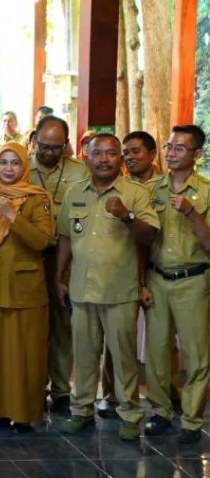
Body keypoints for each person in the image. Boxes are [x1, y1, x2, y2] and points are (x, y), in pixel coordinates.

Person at [55, 133, 158, 441]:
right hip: (82, 289)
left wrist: (126, 215)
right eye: (96, 153)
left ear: (120, 158)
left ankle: (129, 414)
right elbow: (65, 237)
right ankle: (81, 410)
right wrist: (58, 277)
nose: (103, 159)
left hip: (119, 291)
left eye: (110, 153)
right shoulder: (74, 191)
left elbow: (150, 236)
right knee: (84, 355)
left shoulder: (135, 193)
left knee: (123, 358)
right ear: (86, 158)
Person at [0, 143, 55, 433]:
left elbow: (42, 240)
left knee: (25, 356)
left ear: (24, 167)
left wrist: (13, 217)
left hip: (24, 291)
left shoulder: (36, 198)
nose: (8, 168)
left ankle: (23, 415)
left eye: (14, 163)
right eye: (3, 162)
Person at [142, 125, 210, 444]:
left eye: (179, 148)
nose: (170, 153)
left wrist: (192, 212)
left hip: (193, 280)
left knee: (196, 354)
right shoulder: (152, 188)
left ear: (197, 154)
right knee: (157, 352)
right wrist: (141, 282)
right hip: (156, 278)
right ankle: (160, 411)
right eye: (169, 146)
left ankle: (192, 420)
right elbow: (141, 242)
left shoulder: (206, 191)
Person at [29, 115, 89, 413]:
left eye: (56, 147)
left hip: (67, 257)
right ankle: (33, 388)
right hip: (31, 257)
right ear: (34, 141)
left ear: (66, 145)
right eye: (44, 146)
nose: (49, 152)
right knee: (34, 327)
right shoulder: (19, 168)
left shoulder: (79, 172)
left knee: (63, 325)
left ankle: (62, 390)